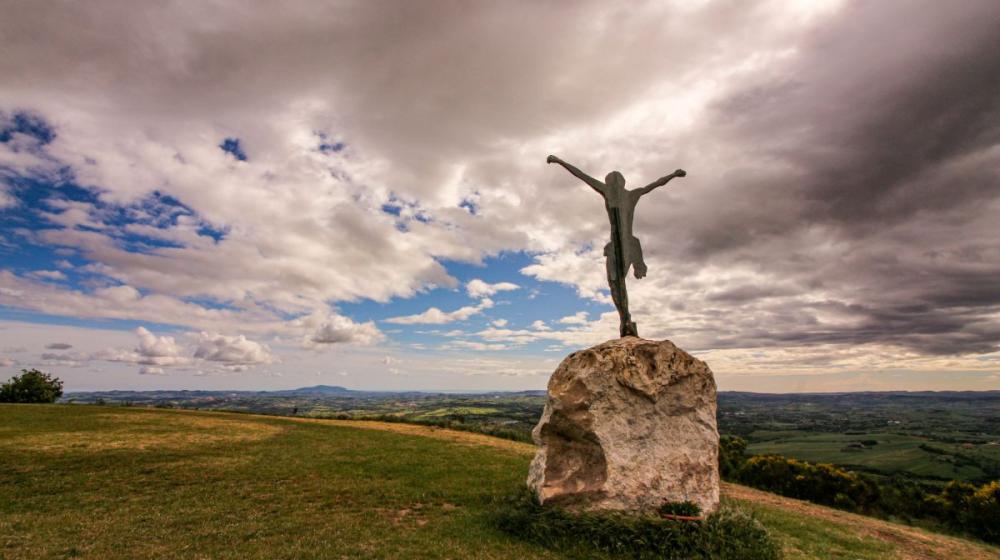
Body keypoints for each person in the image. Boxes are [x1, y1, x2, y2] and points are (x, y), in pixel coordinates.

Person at [547, 155, 685, 337]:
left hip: (628, 245)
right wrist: (560, 161)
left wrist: (673, 175)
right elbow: (581, 175)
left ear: (619, 182)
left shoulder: (629, 194)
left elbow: (655, 184)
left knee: (618, 283)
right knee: (615, 284)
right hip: (616, 246)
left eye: (613, 179)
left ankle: (625, 319)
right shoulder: (616, 192)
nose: (612, 182)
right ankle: (625, 319)